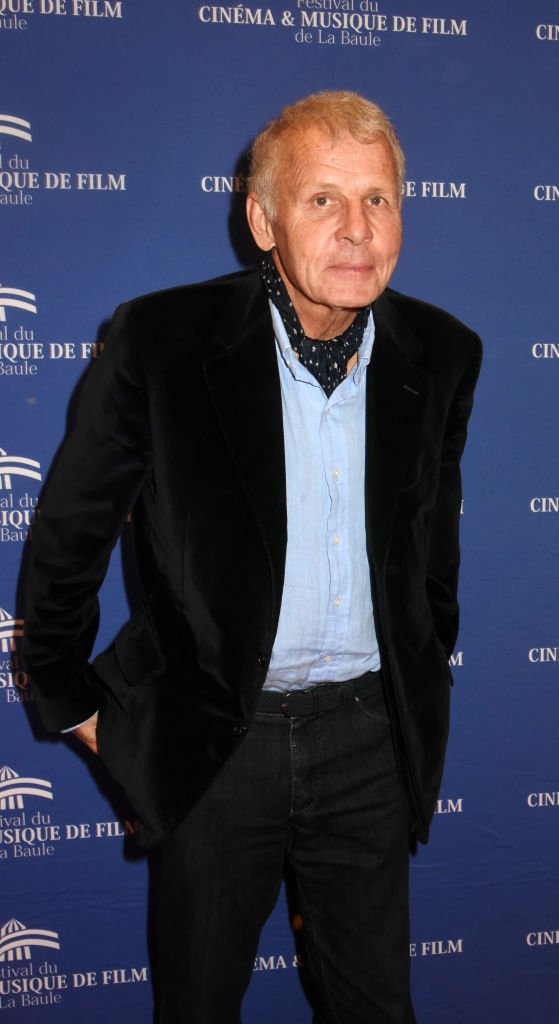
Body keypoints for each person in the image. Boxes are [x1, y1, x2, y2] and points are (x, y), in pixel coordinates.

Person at [23, 90, 481, 1023]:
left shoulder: (441, 351)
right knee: (198, 1006)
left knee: (376, 1009)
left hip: (368, 739)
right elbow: (69, 535)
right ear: (262, 219)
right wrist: (72, 704)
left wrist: (422, 661)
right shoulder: (160, 342)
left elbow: (433, 541)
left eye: (378, 200)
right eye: (322, 200)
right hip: (213, 740)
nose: (357, 231)